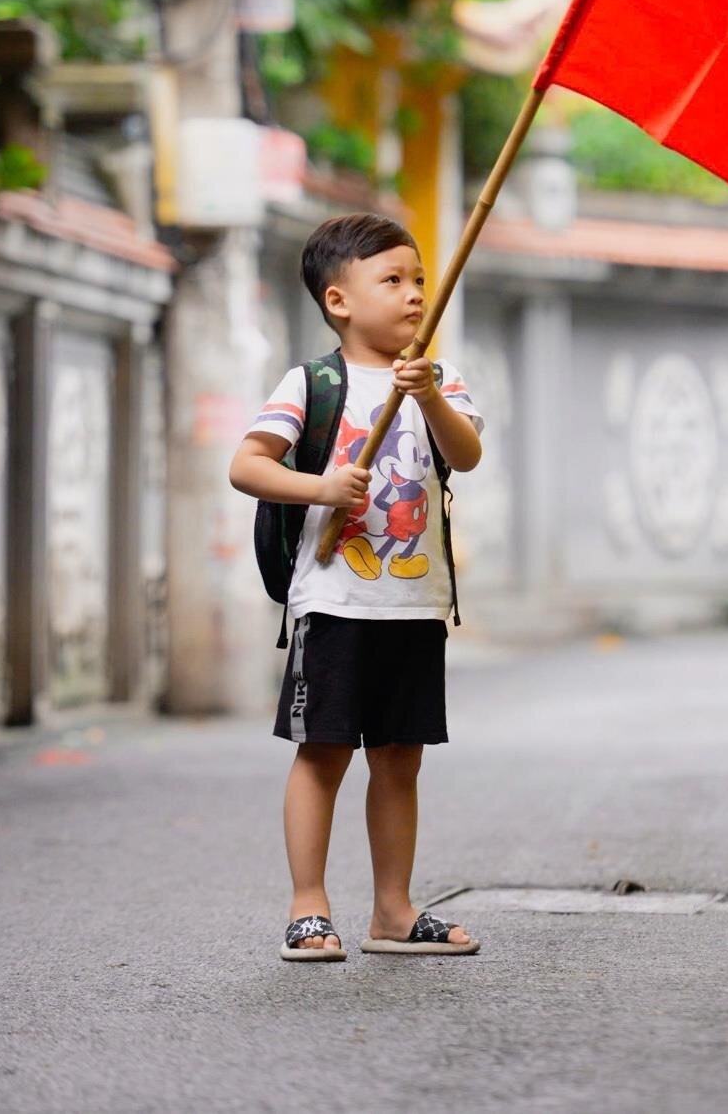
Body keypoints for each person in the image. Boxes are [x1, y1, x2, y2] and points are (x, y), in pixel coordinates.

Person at [229, 212, 484, 961]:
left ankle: (395, 910)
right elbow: (248, 464)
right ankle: (309, 905)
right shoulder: (313, 381)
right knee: (323, 752)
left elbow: (464, 455)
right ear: (339, 300)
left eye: (419, 282)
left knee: (400, 756)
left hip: (414, 603)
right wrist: (321, 485)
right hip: (333, 601)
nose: (414, 296)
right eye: (394, 280)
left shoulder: (441, 377)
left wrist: (430, 394)